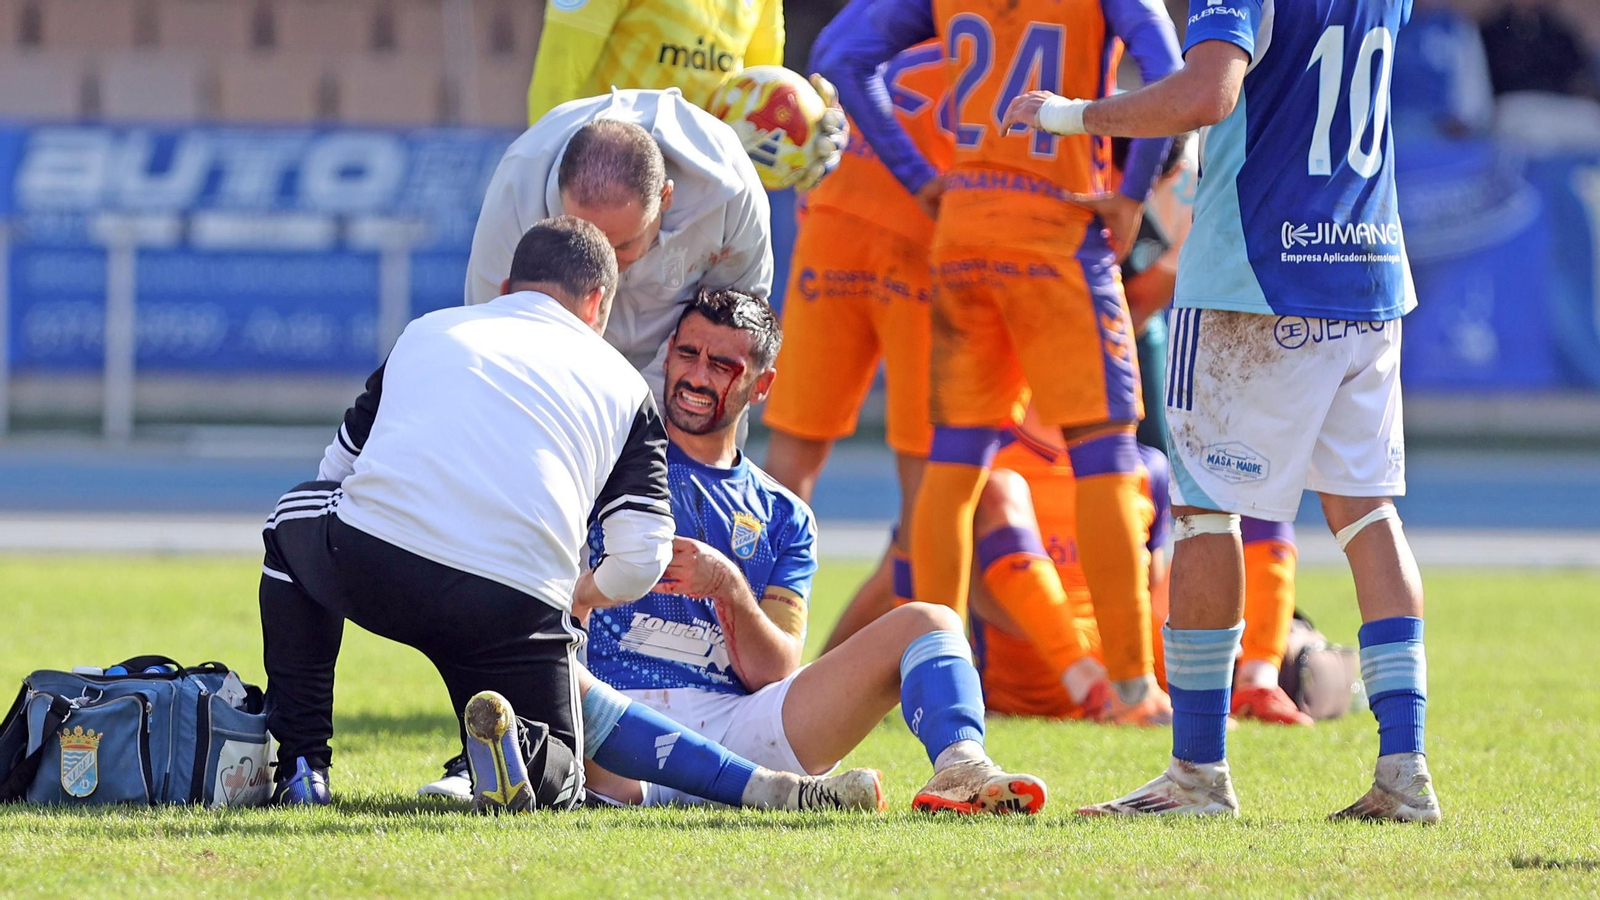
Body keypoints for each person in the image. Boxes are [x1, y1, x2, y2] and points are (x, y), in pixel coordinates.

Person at [1005, 0, 1440, 821]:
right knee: (1368, 515)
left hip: (1257, 276)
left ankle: (1198, 776)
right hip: (1369, 268)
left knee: (1206, 517)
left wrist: (1074, 115)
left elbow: (1209, 94)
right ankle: (1405, 771)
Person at [818, 0, 1184, 726]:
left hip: (965, 232)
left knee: (953, 466)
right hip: (1057, 225)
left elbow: (840, 56)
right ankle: (1133, 687)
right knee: (1107, 454)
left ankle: (938, 676)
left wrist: (920, 174)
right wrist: (1132, 194)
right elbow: (1172, 76)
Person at [260, 218, 674, 811]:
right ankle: (524, 752)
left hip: (377, 562)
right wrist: (581, 594)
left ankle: (304, 765)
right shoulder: (628, 387)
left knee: (289, 521)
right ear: (599, 300)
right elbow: (641, 559)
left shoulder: (428, 330)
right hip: (514, 603)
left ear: (505, 287)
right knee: (561, 780)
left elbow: (335, 471)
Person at [583, 288, 1047, 814]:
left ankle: (963, 769)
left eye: (721, 365)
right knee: (560, 682)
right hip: (616, 726)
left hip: (738, 727)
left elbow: (777, 672)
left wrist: (729, 588)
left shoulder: (785, 514)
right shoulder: (609, 462)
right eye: (687, 354)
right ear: (667, 355)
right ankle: (775, 793)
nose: (696, 376)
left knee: (931, 621)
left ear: (762, 385)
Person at [762, 24, 952, 614]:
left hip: (833, 223)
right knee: (929, 477)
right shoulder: (989, 32)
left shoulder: (884, 24)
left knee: (790, 462)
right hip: (926, 237)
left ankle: (743, 640)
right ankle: (915, 656)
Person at [466, 93, 772, 405]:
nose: (603, 266)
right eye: (583, 241)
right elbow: (497, 336)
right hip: (562, 382)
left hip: (684, 386)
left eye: (622, 245)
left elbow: (738, 328)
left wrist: (643, 416)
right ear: (560, 193)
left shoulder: (731, 187)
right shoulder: (519, 188)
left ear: (666, 197)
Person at [526, 0, 785, 125]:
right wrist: (554, 180)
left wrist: (810, 123)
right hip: (607, 184)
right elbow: (555, 85)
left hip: (707, 192)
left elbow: (765, 91)